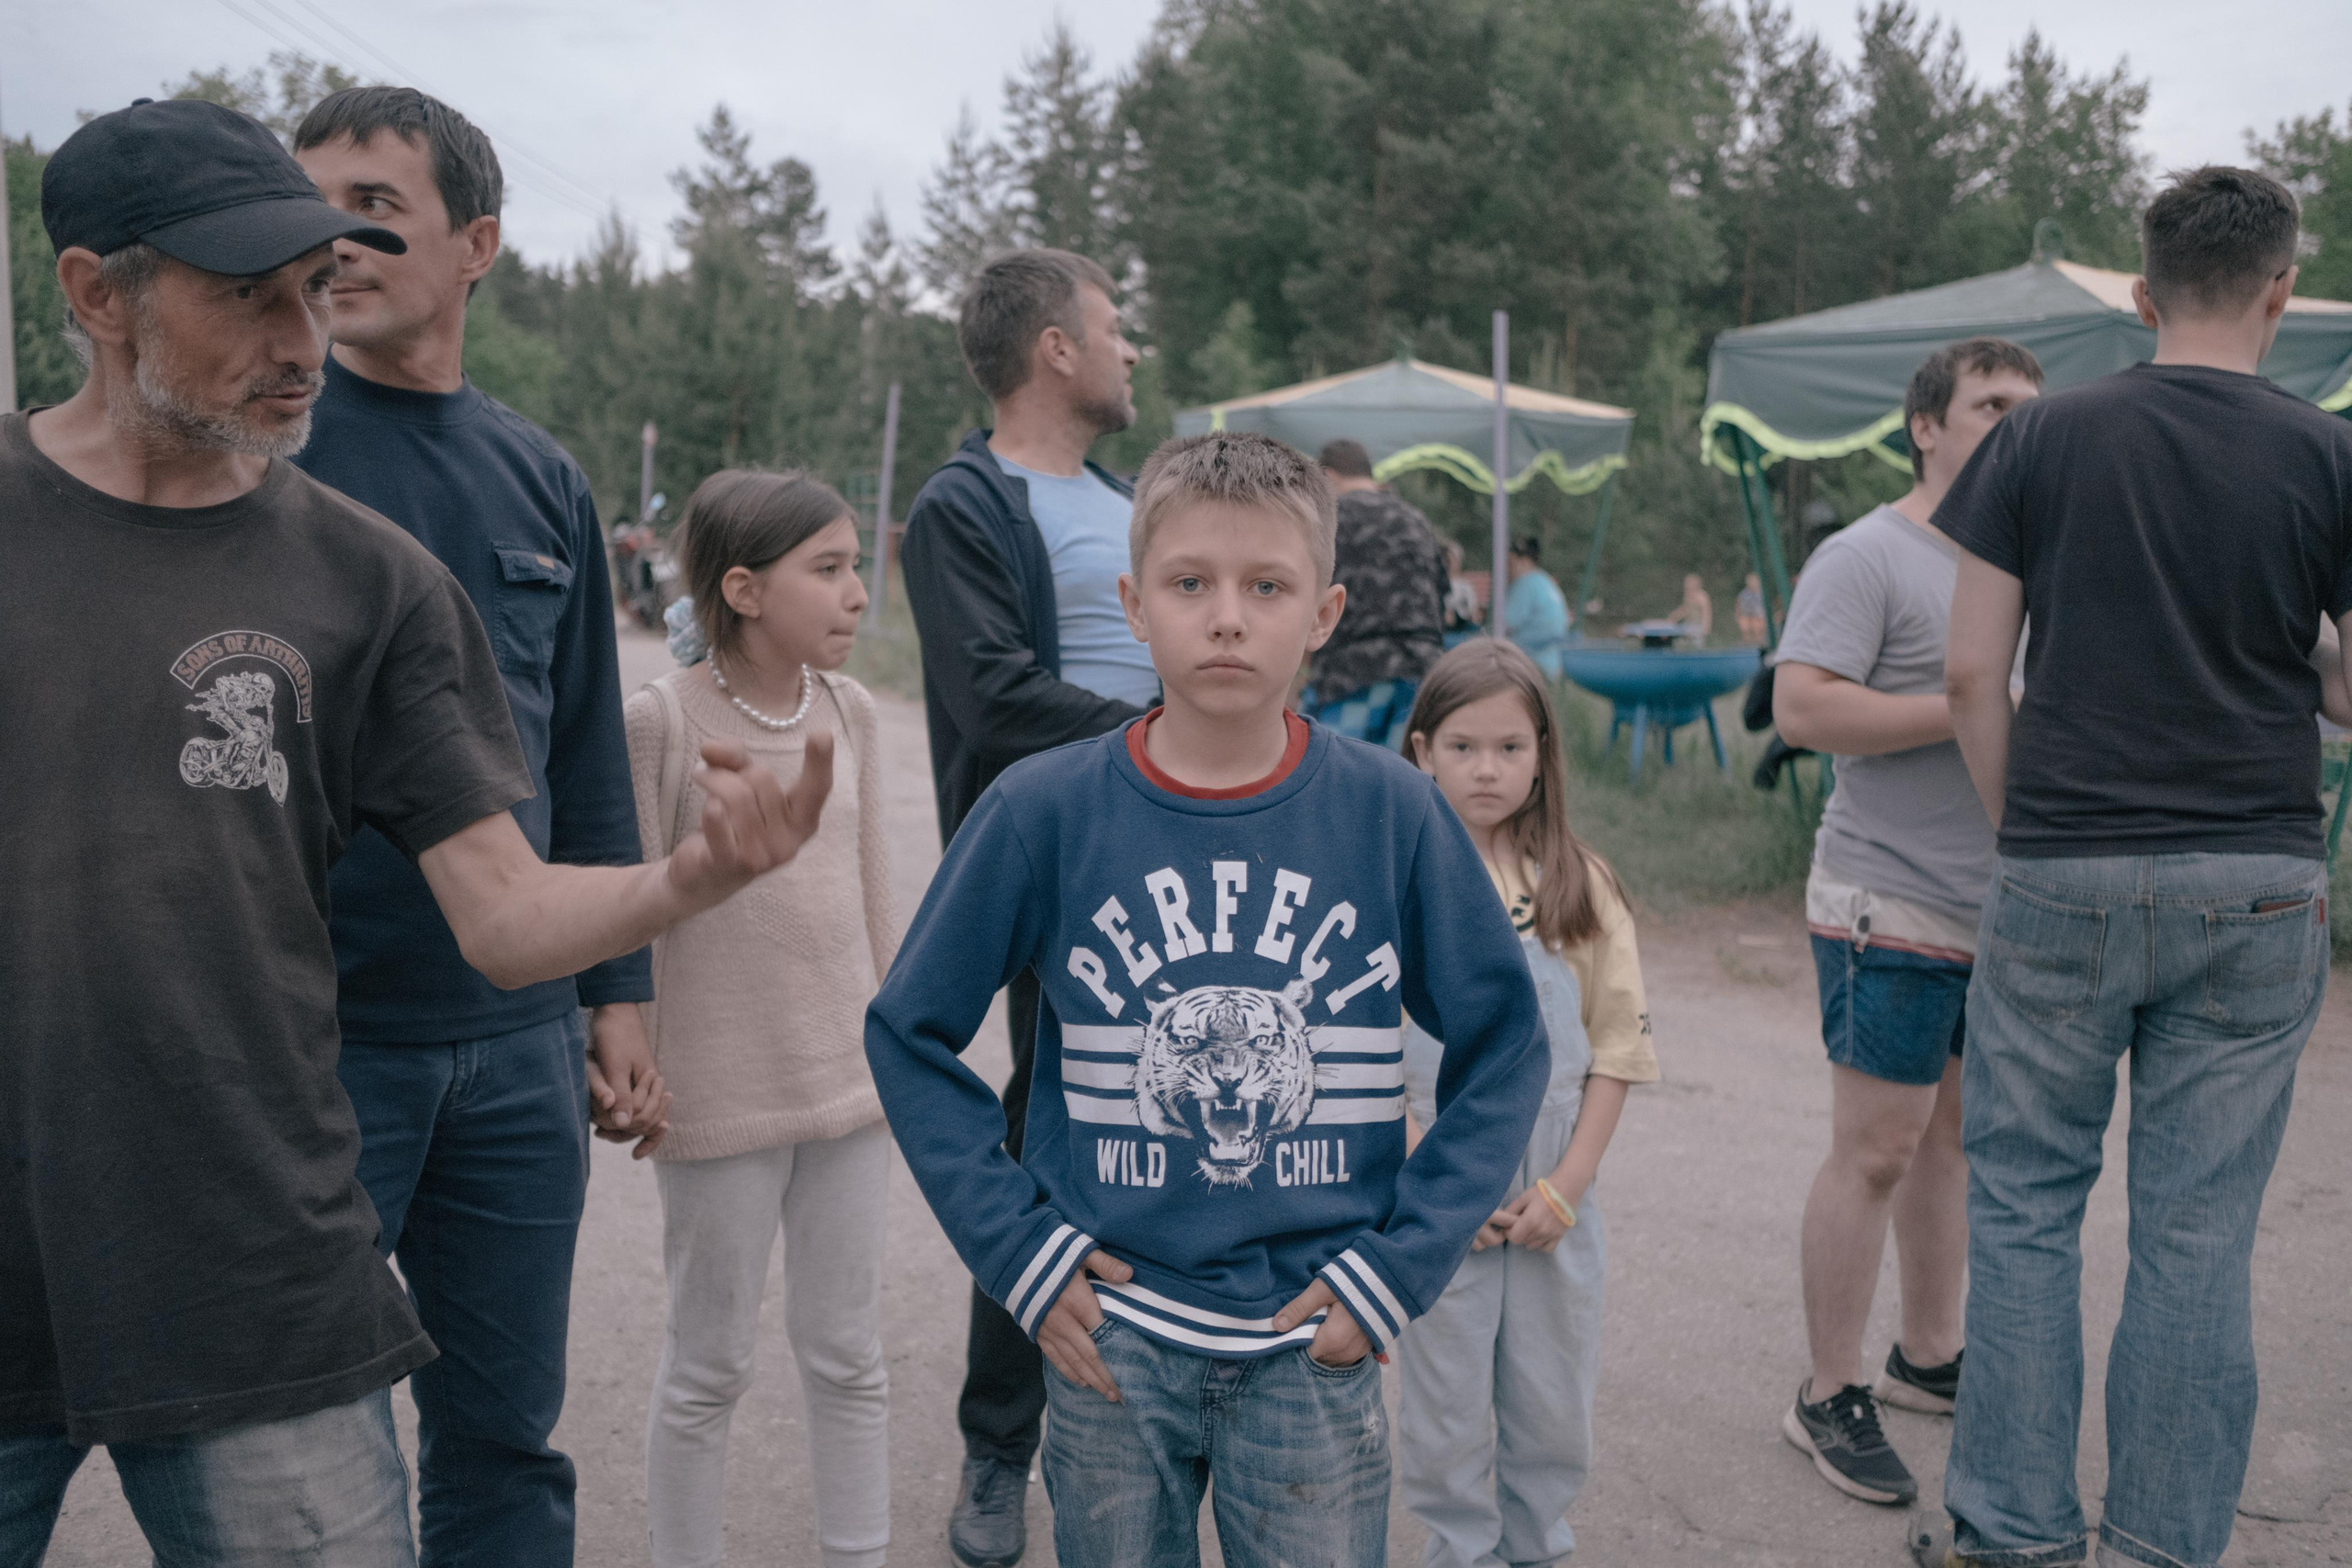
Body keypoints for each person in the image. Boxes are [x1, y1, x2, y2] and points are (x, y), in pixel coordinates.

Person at [0, 98, 831, 1564]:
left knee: (494, 1443)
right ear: (96, 295)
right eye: (247, 297)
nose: (302, 339)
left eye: (313, 289)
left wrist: (692, 874)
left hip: (256, 1249)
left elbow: (505, 911)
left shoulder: (369, 581)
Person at [865, 432, 1549, 1568]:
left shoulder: (1393, 815)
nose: (1226, 616)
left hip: (1311, 1350)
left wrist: (1398, 1266)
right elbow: (908, 1032)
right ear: (1134, 604)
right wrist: (1018, 1254)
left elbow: (1506, 1045)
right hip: (1110, 1348)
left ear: (1322, 614)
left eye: (1265, 586)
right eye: (1191, 584)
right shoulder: (1044, 810)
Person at [1922, 167, 2352, 1568]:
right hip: (2257, 870)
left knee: (2027, 1211)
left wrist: (2017, 823)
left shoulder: (2040, 438)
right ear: (2283, 290)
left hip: (2063, 859)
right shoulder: (2328, 453)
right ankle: (2167, 1543)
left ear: (2143, 293)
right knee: (2197, 1233)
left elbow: (1973, 665)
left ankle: (2014, 1536)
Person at [287, 86, 662, 1565]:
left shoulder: (541, 476)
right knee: (301, 1444)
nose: (336, 236)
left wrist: (618, 990)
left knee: (506, 1437)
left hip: (515, 1044)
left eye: (375, 206)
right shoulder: (265, 454)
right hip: (318, 1038)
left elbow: (582, 741)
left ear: (478, 243)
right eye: (309, 202)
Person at [898, 246, 1154, 1568]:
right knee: (1046, 1138)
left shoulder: (1131, 501)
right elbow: (993, 695)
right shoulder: (963, 503)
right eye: (1112, 328)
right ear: (1053, 347)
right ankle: (1001, 1446)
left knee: (1186, 1123)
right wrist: (1163, 734)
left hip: (1185, 856)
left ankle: (1169, 1415)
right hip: (1059, 866)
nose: (1129, 352)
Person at [1770, 337, 2044, 1508]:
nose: (2016, 424)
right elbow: (1802, 707)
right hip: (1886, 895)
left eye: (2032, 409)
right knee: (1877, 1146)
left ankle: (1926, 1359)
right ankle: (1827, 1391)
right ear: (1925, 424)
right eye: (1991, 405)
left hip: (2003, 905)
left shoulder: (2035, 561)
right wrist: (1969, 701)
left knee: (1953, 1140)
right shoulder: (1868, 554)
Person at [628, 471, 897, 1568]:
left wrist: (903, 1058)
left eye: (855, 567)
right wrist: (631, 1055)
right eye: (827, 570)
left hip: (850, 1092)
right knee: (708, 1368)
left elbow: (877, 898)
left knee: (848, 1356)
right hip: (717, 1097)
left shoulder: (854, 713)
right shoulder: (660, 720)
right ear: (741, 588)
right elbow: (631, 907)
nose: (856, 594)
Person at [1394, 638, 1657, 1568]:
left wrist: (1566, 1186)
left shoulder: (1576, 884)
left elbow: (1617, 1048)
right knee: (1444, 1399)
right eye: (1462, 746)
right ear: (1421, 750)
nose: (1486, 769)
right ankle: (1458, 1549)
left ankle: (1535, 1546)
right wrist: (1430, 1177)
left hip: (1552, 1187)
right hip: (1434, 1186)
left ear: (1543, 753)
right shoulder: (1396, 884)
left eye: (1510, 747)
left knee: (1551, 1396)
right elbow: (1364, 1052)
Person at [1298, 437, 1448, 747]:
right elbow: (1442, 597)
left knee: (1339, 780)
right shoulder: (1416, 520)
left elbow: (1305, 597)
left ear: (1328, 477)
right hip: (1422, 674)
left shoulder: (1330, 519)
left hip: (1351, 673)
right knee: (1402, 783)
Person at [1502, 535, 1571, 678]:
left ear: (1525, 561)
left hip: (1529, 664)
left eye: (1510, 563)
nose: (1507, 570)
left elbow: (1503, 624)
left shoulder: (1524, 584)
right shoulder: (1544, 581)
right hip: (1552, 665)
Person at [1666, 573, 1713, 640]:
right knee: (1677, 638)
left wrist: (1706, 628)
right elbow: (1686, 610)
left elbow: (1706, 613)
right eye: (1686, 583)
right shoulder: (1688, 596)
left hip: (1698, 626)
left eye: (1689, 583)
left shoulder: (1702, 597)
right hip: (1688, 624)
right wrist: (1674, 616)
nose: (1686, 586)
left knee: (1695, 643)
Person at [1736, 572, 1768, 644]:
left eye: (1753, 580)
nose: (1751, 583)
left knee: (1758, 631)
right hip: (1746, 616)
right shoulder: (1743, 593)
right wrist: (1738, 616)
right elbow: (1738, 604)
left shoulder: (1762, 593)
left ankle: (1760, 645)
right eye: (1749, 581)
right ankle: (1747, 646)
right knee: (1745, 629)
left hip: (1759, 616)